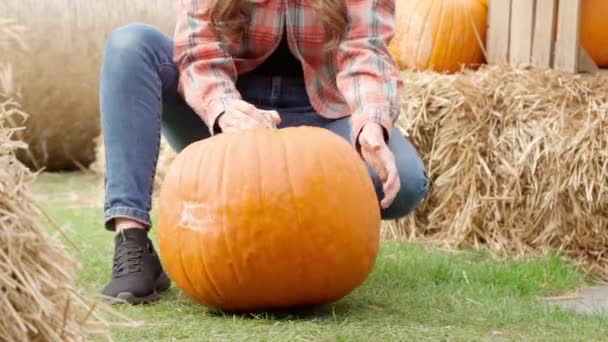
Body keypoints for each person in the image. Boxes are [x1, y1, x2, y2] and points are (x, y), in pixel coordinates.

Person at [99, 0, 428, 304]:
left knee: (404, 183)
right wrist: (226, 110)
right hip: (227, 103)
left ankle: (304, 250)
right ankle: (132, 242)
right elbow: (199, 51)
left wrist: (371, 123)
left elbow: (365, 51)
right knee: (130, 45)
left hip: (321, 109)